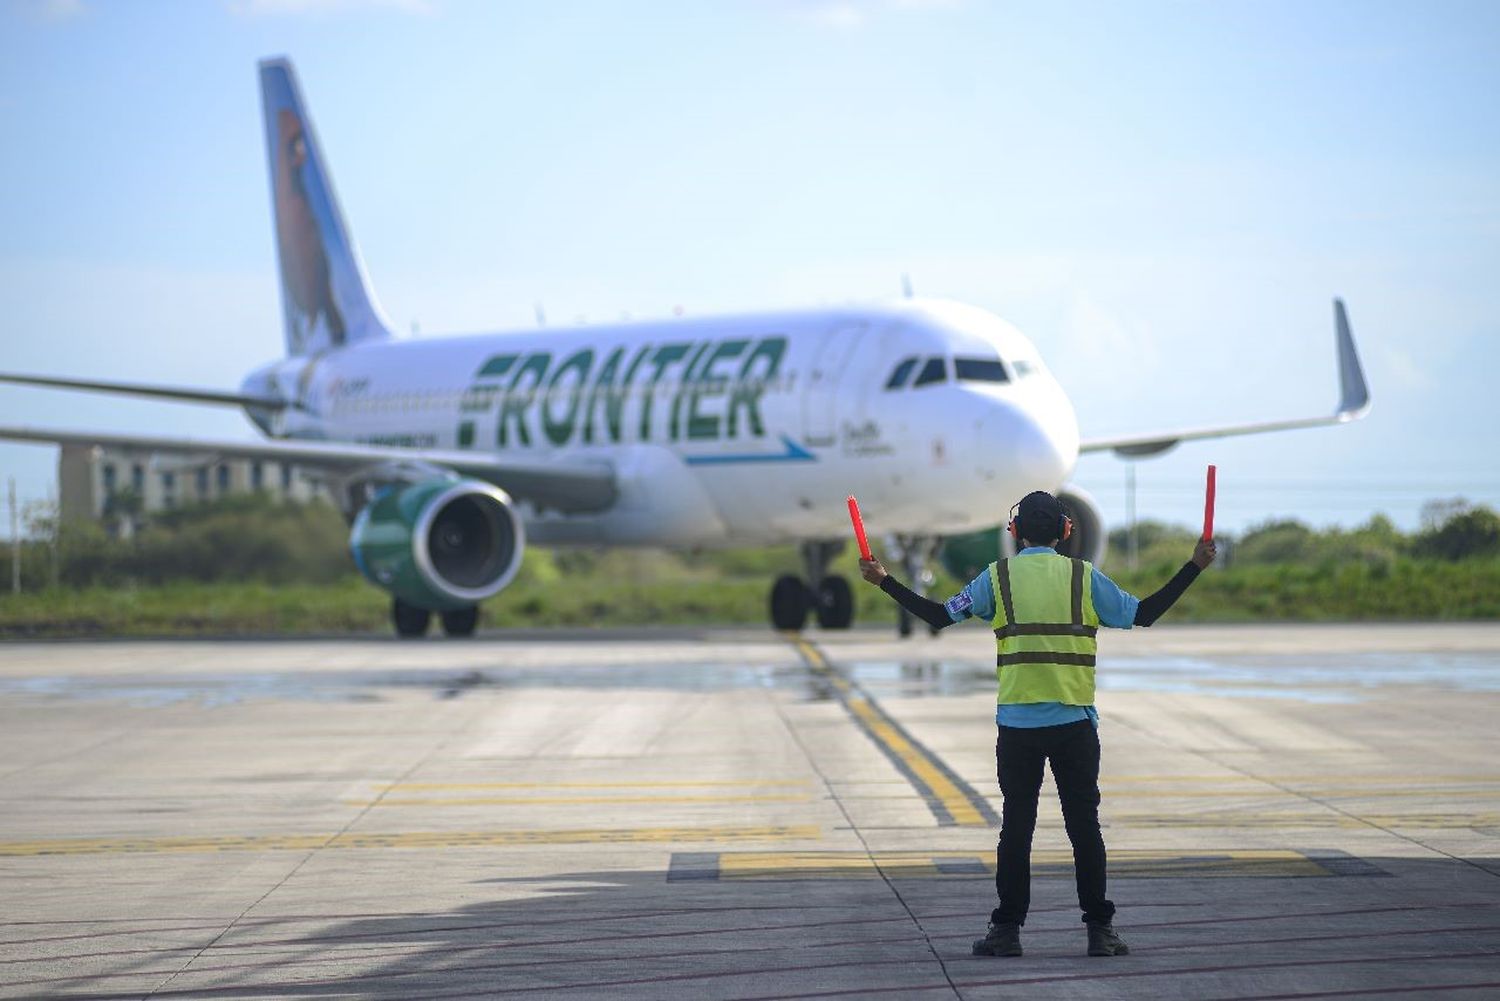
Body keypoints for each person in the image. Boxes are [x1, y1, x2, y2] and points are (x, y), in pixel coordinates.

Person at [858, 490, 1216, 958]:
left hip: (1018, 727)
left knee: (1017, 830)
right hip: (1074, 724)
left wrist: (884, 580)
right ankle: (1100, 931)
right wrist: (1193, 566)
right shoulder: (1083, 577)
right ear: (1067, 532)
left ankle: (1006, 932)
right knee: (1084, 828)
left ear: (1015, 532)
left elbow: (938, 616)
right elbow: (1144, 613)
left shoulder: (997, 578)